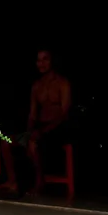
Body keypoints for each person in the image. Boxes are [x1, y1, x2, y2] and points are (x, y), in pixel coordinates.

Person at [26, 48, 71, 195]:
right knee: (8, 141)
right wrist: (29, 130)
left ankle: (40, 182)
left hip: (59, 127)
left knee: (33, 143)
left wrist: (44, 130)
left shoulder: (62, 83)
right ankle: (13, 182)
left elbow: (64, 113)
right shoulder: (37, 86)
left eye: (45, 59)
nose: (41, 63)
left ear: (52, 61)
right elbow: (33, 114)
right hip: (41, 126)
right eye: (39, 60)